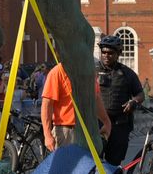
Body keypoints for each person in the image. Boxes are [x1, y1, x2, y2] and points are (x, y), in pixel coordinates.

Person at [94, 35, 144, 166]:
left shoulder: (127, 73)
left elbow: (140, 94)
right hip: (97, 124)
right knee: (93, 162)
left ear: (118, 54)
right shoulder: (92, 71)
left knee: (113, 163)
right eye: (103, 52)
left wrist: (134, 102)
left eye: (110, 53)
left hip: (119, 125)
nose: (106, 55)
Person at [40, 62, 111, 152]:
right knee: (67, 165)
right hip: (66, 132)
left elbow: (95, 98)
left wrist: (106, 121)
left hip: (88, 130)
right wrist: (47, 135)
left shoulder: (88, 71)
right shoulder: (57, 72)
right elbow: (47, 104)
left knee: (88, 165)